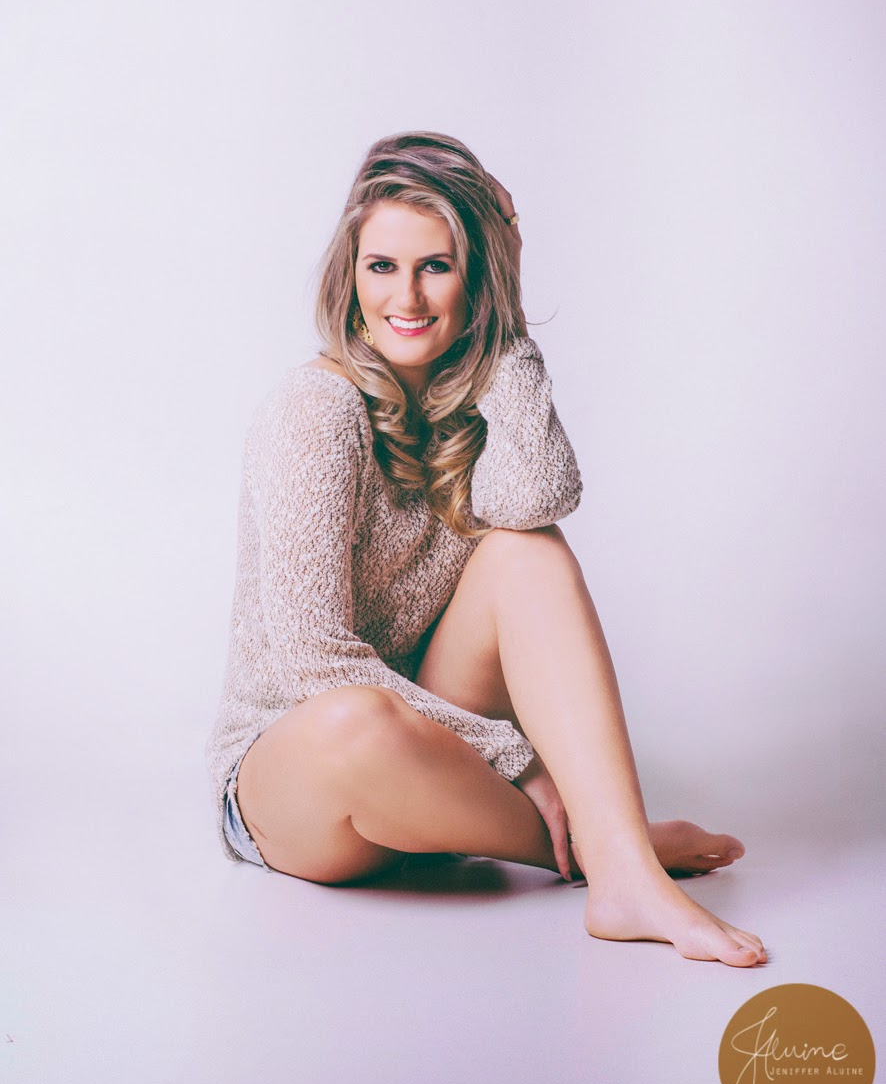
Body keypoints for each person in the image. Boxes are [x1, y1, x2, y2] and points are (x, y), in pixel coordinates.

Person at [205, 130, 767, 967]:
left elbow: (537, 500)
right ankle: (613, 850)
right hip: (302, 781)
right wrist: (515, 762)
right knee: (355, 718)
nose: (407, 297)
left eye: (437, 266)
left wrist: (506, 317)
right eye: (382, 266)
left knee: (527, 552)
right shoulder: (314, 411)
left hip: (434, 753)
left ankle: (622, 875)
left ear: (474, 278)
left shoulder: (476, 402)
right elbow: (313, 663)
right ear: (350, 276)